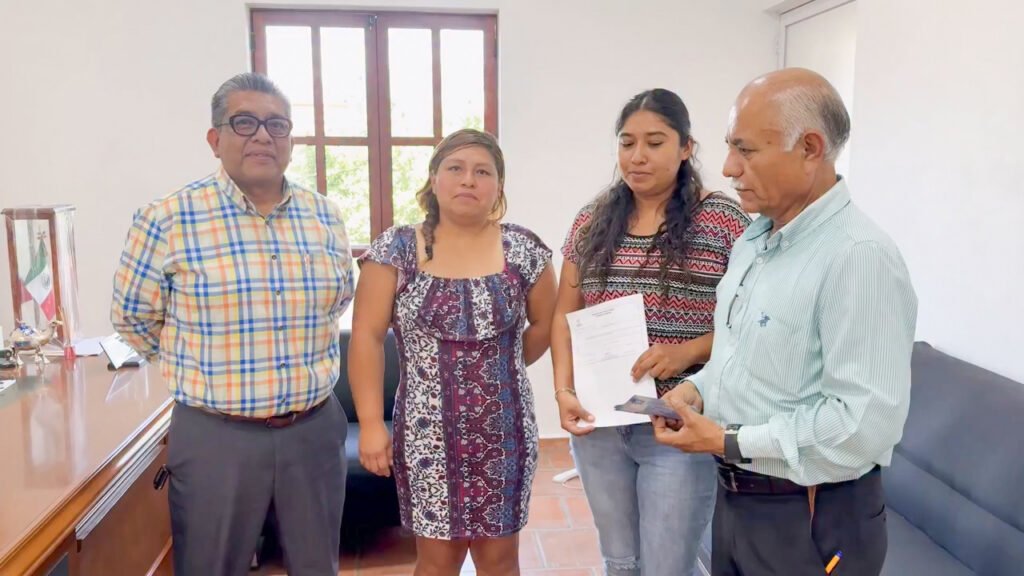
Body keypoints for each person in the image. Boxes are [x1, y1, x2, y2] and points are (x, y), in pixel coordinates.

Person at [651, 68, 918, 576]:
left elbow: (863, 426)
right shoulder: (755, 240)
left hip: (809, 515)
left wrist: (729, 440)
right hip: (738, 500)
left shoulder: (858, 257)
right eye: (730, 147)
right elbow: (741, 356)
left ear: (810, 148)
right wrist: (696, 391)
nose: (729, 167)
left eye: (747, 150)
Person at [111, 72, 354, 576]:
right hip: (216, 436)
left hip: (313, 430)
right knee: (210, 566)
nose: (263, 136)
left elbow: (339, 299)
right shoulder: (167, 219)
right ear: (215, 139)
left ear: (290, 140)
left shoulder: (325, 216)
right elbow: (133, 318)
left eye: (277, 125)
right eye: (245, 123)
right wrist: (199, 366)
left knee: (318, 567)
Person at [550, 89, 750, 576]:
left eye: (655, 142)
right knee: (620, 562)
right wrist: (563, 391)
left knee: (667, 567)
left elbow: (751, 324)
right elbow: (563, 315)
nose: (637, 156)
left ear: (686, 148)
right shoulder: (592, 221)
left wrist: (688, 352)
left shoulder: (723, 221)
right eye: (627, 142)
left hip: (678, 425)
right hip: (600, 425)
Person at [348, 129, 557, 576]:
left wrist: (502, 369)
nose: (468, 180)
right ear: (434, 178)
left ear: (498, 186)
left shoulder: (524, 251)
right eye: (456, 168)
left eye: (483, 172)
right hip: (427, 436)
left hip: (505, 433)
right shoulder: (395, 250)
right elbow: (366, 336)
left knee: (500, 561)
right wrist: (370, 424)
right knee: (437, 562)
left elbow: (545, 325)